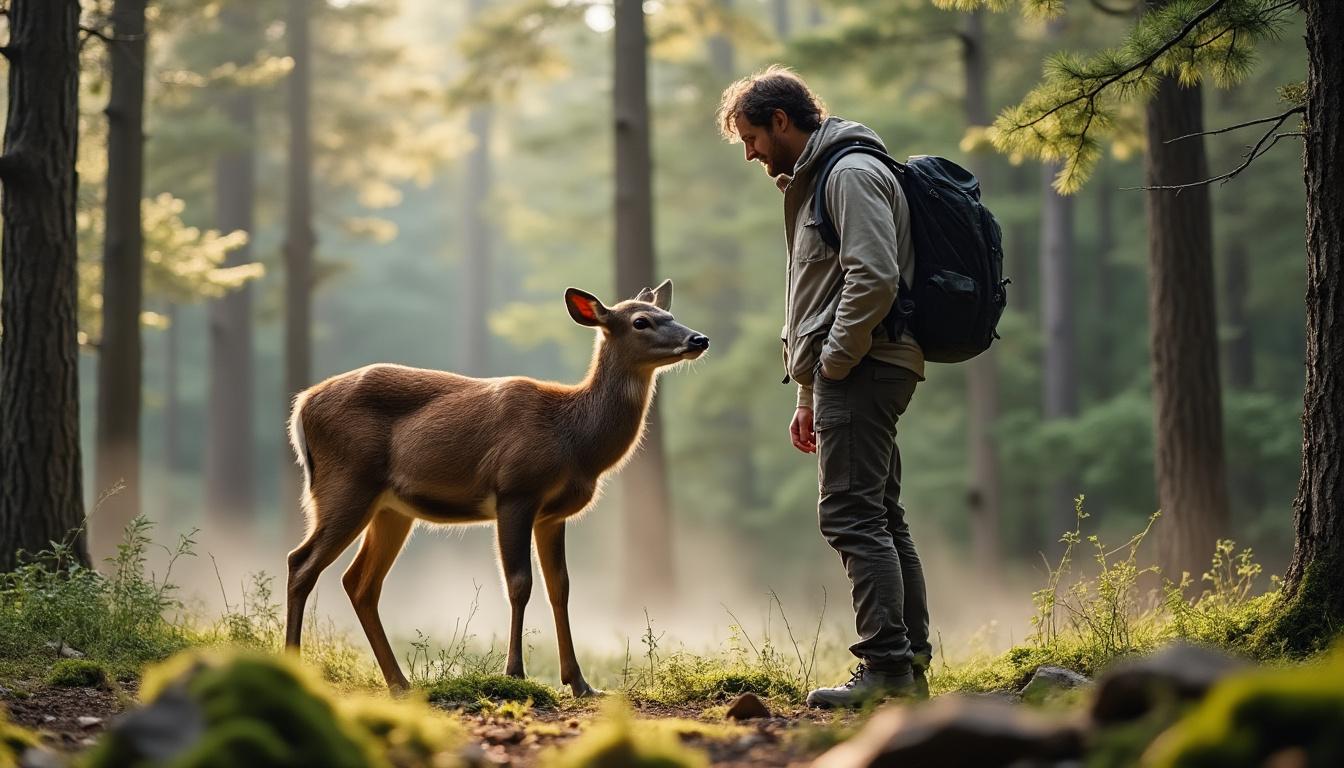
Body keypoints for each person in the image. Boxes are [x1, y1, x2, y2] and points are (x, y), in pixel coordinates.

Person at [717, 66, 932, 707]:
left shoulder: (850, 174)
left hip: (866, 363)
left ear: (781, 121)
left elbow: (873, 280)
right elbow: (819, 294)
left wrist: (833, 366)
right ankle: (907, 667)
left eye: (752, 138)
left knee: (850, 515)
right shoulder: (818, 181)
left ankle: (887, 671)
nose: (752, 153)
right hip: (854, 367)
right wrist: (808, 393)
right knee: (880, 516)